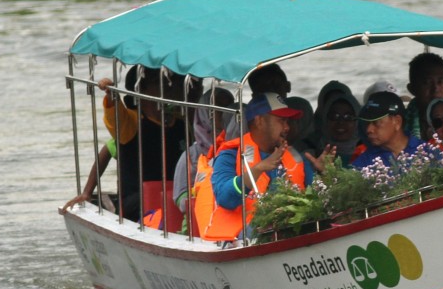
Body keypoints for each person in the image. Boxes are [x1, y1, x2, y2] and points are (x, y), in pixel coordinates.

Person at [194, 93, 312, 242]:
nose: (287, 127)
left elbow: (316, 197)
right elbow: (225, 198)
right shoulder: (230, 156)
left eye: (287, 121)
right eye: (281, 121)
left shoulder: (296, 157)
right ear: (260, 121)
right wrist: (258, 169)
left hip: (293, 239)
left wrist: (325, 172)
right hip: (244, 244)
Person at [97, 68, 190, 222]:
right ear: (140, 89)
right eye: (156, 83)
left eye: (165, 82)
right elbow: (115, 118)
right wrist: (111, 94)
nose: (164, 87)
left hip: (174, 195)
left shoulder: (179, 121)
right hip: (138, 203)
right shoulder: (130, 122)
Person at [172, 87, 237, 217]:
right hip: (201, 219)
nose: (225, 111)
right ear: (205, 112)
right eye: (219, 107)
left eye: (229, 106)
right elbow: (180, 198)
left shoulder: (240, 145)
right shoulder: (191, 155)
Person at [350, 91, 429, 171]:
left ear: (397, 121)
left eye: (376, 122)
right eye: (366, 123)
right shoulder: (362, 165)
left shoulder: (429, 154)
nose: (368, 129)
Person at [311, 80, 363, 165]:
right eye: (334, 116)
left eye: (348, 117)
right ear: (325, 119)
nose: (341, 122)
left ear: (357, 121)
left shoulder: (369, 156)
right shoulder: (312, 155)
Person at [404, 52, 443, 142]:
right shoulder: (400, 126)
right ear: (412, 89)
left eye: (440, 81)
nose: (435, 88)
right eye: (427, 82)